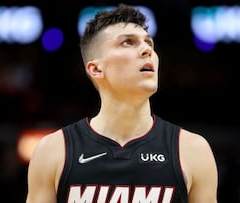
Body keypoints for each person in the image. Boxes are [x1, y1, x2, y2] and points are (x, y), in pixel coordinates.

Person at [25, 3, 218, 203]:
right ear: (96, 69)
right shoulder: (53, 151)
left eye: (149, 43)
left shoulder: (193, 150)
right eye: (128, 42)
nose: (146, 50)